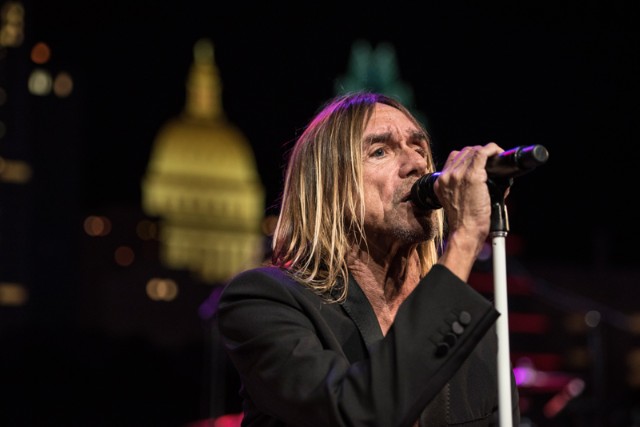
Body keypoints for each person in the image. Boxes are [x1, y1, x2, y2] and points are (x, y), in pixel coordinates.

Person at [216, 91, 520, 426]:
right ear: (328, 186)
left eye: (419, 148)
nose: (417, 164)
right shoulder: (265, 301)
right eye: (380, 151)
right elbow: (358, 413)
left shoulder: (472, 328)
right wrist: (465, 237)